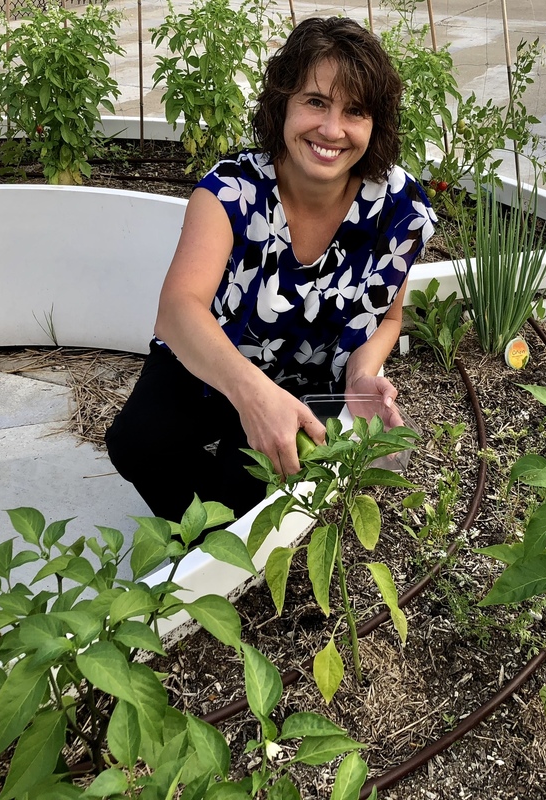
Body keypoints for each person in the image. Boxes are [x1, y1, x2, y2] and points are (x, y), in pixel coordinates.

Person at [105, 16, 436, 521]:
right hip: (216, 360)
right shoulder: (231, 191)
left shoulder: (396, 205)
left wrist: (361, 375)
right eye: (315, 101)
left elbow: (388, 316)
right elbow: (178, 311)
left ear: (377, 124)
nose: (332, 129)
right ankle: (206, 547)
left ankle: (218, 555)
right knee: (138, 443)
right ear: (282, 101)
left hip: (309, 376)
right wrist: (253, 394)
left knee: (254, 479)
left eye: (355, 111)